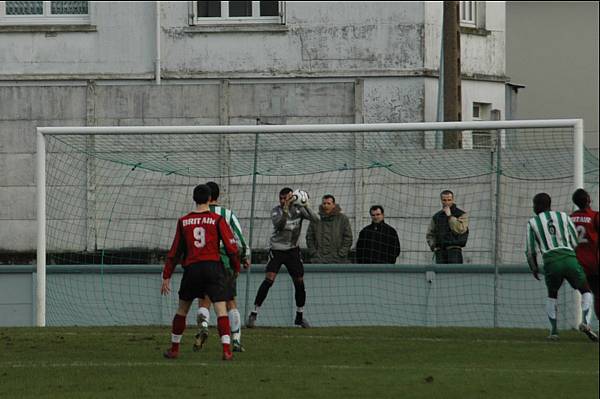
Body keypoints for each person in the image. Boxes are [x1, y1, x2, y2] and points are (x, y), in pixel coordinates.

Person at [161, 184, 241, 360]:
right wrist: (236, 267)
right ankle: (226, 350)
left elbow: (175, 252)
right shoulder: (217, 220)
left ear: (194, 199)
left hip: (192, 268)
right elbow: (231, 247)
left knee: (182, 309)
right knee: (221, 309)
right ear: (210, 198)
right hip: (213, 267)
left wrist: (167, 275)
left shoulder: (184, 221)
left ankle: (174, 349)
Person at [525, 192, 597, 342]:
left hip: (551, 261)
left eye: (534, 204)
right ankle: (585, 321)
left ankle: (554, 331)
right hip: (570, 258)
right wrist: (570, 254)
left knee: (552, 295)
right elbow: (573, 239)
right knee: (586, 291)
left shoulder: (532, 222)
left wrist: (534, 267)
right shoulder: (564, 217)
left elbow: (530, 249)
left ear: (538, 206)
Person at [246, 187, 319, 328]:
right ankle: (254, 313)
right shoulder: (276, 211)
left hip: (293, 250)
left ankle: (299, 316)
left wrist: (306, 204)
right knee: (269, 280)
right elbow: (280, 225)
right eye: (281, 198)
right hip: (277, 249)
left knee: (299, 282)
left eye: (286, 198)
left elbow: (316, 219)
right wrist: (285, 209)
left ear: (293, 198)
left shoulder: (299, 210)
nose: (282, 200)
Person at [194, 181, 251, 353]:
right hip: (226, 261)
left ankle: (203, 325)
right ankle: (235, 340)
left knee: (205, 299)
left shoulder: (196, 215)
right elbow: (240, 238)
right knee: (230, 301)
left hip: (203, 261)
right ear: (216, 197)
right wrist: (245, 257)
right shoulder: (227, 213)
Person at [570, 188, 599, 322]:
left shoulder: (570, 218)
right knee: (597, 295)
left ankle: (585, 321)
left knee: (586, 293)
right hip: (594, 263)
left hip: (577, 263)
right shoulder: (595, 216)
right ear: (588, 200)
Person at [306, 194, 353, 263]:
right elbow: (309, 237)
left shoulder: (342, 219)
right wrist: (313, 253)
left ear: (333, 205)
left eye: (328, 203)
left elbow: (348, 238)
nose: (326, 206)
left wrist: (341, 253)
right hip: (319, 259)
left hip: (338, 259)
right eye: (324, 203)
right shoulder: (316, 218)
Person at [426, 190, 469, 264]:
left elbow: (460, 229)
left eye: (449, 200)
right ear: (441, 201)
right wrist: (434, 246)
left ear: (453, 200)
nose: (447, 202)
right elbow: (430, 233)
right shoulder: (437, 216)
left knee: (454, 273)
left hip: (454, 251)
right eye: (444, 200)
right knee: (440, 274)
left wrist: (450, 216)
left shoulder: (461, 214)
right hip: (440, 251)